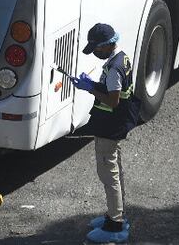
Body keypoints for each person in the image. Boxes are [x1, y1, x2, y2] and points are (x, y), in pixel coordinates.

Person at [73, 23, 139, 244]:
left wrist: (89, 88)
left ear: (107, 45)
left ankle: (115, 224)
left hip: (109, 127)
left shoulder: (113, 70)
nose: (95, 53)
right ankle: (116, 214)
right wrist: (91, 83)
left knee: (108, 174)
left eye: (96, 49)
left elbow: (113, 100)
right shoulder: (121, 58)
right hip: (116, 124)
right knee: (115, 171)